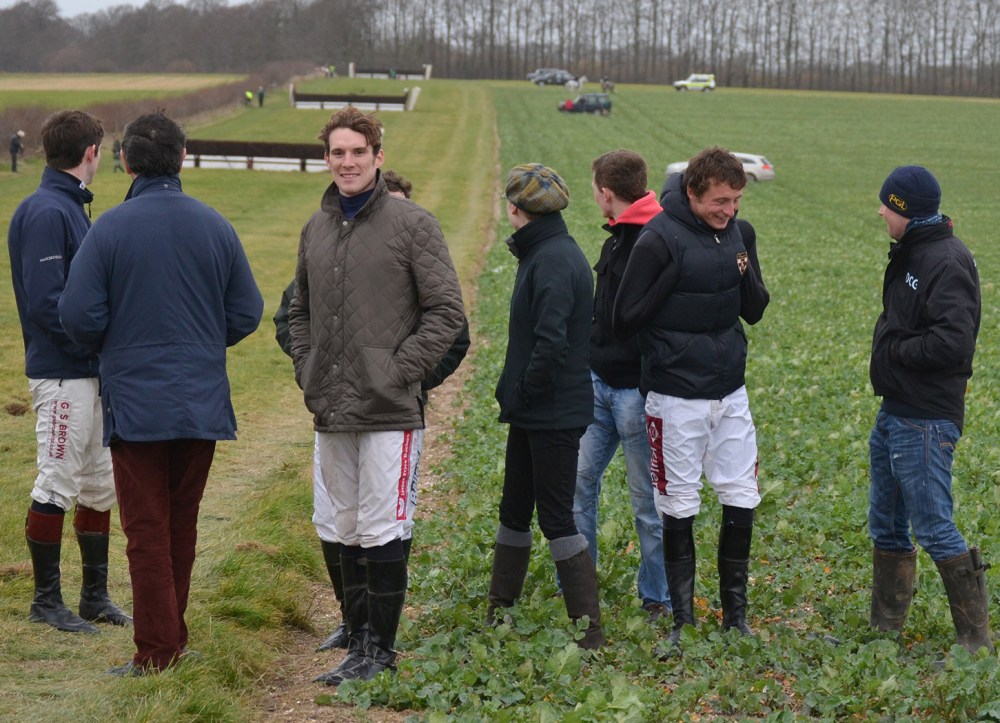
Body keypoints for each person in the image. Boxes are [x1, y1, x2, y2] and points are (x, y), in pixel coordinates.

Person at [59, 112, 264, 675]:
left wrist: (114, 343)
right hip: (201, 400)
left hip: (137, 401)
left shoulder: (110, 228)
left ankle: (156, 652)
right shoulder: (215, 225)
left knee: (147, 530)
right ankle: (171, 638)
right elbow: (246, 311)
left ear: (127, 161)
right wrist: (201, 342)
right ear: (181, 157)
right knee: (180, 524)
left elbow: (78, 314)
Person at [288, 107, 465, 685]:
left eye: (357, 153)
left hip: (388, 410)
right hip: (331, 407)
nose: (347, 162)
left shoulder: (414, 225)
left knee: (381, 527)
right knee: (339, 524)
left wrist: (398, 371)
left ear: (378, 157)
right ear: (327, 159)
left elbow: (446, 314)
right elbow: (299, 310)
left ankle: (379, 653)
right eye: (337, 153)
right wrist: (308, 366)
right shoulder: (315, 227)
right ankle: (356, 639)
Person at [614, 146, 769, 649]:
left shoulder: (741, 234)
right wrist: (669, 341)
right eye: (720, 201)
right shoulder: (660, 237)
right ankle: (683, 621)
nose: (729, 210)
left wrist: (746, 270)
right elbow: (624, 318)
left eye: (736, 200)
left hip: (730, 391)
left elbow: (755, 310)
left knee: (741, 493)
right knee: (678, 502)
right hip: (675, 396)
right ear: (692, 193)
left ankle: (735, 617)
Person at [7, 110, 131, 635]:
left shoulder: (71, 208)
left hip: (90, 372)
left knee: (100, 485)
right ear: (90, 153)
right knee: (57, 479)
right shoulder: (45, 212)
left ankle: (94, 596)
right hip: (62, 373)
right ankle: (45, 601)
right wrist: (97, 343)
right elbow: (46, 303)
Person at [867, 165, 993, 654]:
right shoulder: (914, 251)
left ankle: (975, 643)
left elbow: (953, 342)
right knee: (887, 521)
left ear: (904, 209)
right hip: (896, 411)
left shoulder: (944, 260)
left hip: (924, 417)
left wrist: (896, 352)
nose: (880, 210)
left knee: (934, 525)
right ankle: (885, 632)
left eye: (886, 203)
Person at [488, 163, 605, 650]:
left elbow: (550, 345)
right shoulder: (543, 251)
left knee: (556, 518)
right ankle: (499, 612)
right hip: (534, 410)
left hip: (553, 411)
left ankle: (590, 633)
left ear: (515, 209)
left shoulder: (554, 260)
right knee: (514, 509)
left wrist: (523, 392)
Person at [572, 150, 671, 622]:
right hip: (597, 382)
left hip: (635, 392)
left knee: (647, 502)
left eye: (594, 188)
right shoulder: (619, 236)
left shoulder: (656, 238)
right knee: (577, 485)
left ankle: (658, 597)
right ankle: (580, 590)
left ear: (605, 192)